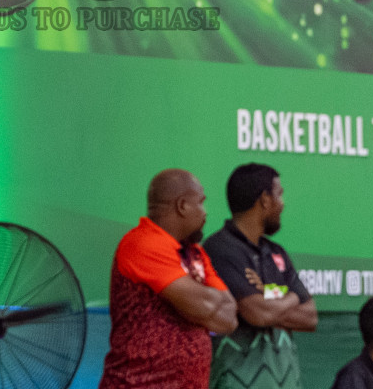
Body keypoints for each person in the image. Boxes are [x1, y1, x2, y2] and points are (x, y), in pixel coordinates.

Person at [98, 169, 236, 389]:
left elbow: (229, 318)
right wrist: (202, 305)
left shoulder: (195, 253)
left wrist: (198, 303)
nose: (205, 213)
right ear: (183, 206)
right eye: (201, 203)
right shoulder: (142, 243)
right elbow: (204, 306)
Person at [202, 164, 316, 389]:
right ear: (265, 200)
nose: (282, 204)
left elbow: (310, 317)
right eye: (279, 195)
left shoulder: (276, 252)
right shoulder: (219, 249)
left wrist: (266, 293)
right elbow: (257, 313)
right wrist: (292, 296)